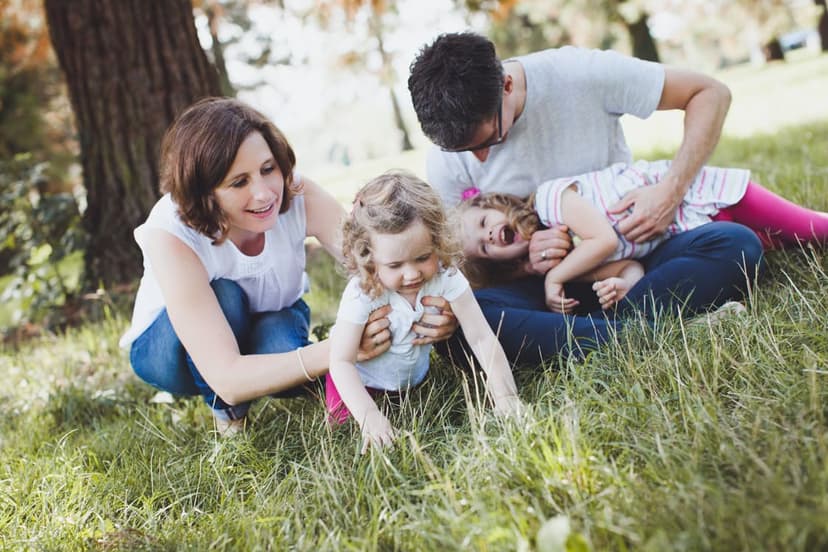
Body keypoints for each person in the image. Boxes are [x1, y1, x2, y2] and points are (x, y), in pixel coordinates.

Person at [408, 32, 764, 365]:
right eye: (465, 151)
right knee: (461, 331)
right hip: (544, 293)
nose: (480, 159)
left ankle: (594, 336)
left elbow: (710, 93)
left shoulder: (578, 73)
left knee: (737, 246)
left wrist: (670, 190)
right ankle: (644, 331)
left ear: (507, 85)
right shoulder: (446, 157)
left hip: (631, 262)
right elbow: (459, 265)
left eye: (490, 141)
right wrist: (523, 266)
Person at [118, 98, 456, 434]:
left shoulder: (297, 193)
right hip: (167, 350)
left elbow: (378, 263)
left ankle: (272, 372)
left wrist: (438, 307)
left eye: (268, 169)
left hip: (273, 318)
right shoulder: (172, 231)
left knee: (290, 371)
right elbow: (227, 378)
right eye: (239, 183)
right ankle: (229, 418)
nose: (265, 194)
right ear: (205, 192)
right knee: (226, 295)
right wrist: (342, 347)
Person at [458, 160, 828, 311]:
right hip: (698, 229)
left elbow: (604, 239)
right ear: (502, 266)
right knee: (790, 242)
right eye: (484, 248)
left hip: (700, 194)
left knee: (813, 229)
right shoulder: (565, 263)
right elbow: (629, 266)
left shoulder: (551, 199)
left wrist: (556, 276)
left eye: (484, 222)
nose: (489, 235)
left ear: (498, 205)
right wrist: (622, 290)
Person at [326, 171, 522, 453]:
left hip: (410, 382)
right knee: (344, 436)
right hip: (360, 380)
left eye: (422, 257)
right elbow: (341, 362)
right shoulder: (363, 291)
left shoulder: (446, 276)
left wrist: (506, 396)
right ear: (368, 257)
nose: (411, 274)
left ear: (438, 240)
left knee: (417, 409)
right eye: (394, 265)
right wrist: (370, 418)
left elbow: (481, 336)